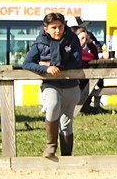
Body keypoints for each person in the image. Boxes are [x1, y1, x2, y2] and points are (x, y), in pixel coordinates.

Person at [23, 12, 84, 159]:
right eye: (53, 27)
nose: (57, 30)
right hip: (51, 84)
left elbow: (77, 62)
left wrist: (56, 65)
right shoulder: (40, 43)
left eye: (60, 27)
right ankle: (50, 145)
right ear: (46, 29)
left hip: (71, 84)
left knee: (66, 122)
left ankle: (67, 156)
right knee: (53, 106)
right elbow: (27, 63)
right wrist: (45, 69)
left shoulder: (72, 39)